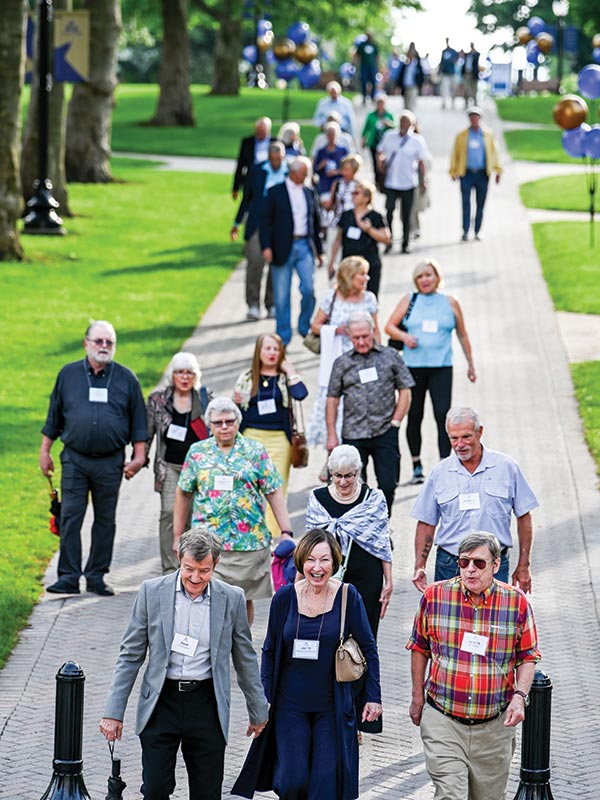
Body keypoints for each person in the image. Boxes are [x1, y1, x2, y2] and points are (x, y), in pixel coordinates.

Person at [100, 528, 268, 800]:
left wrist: (257, 710)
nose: (195, 577)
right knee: (155, 789)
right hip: (161, 702)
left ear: (216, 564)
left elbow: (245, 657)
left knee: (207, 792)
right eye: (189, 568)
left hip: (207, 704)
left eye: (204, 571)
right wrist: (113, 711)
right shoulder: (151, 592)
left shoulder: (232, 598)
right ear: (179, 558)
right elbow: (130, 654)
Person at [232, 528, 382, 800]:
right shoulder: (285, 597)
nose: (317, 567)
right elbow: (269, 651)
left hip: (331, 706)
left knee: (325, 782)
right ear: (301, 561)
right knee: (292, 778)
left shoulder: (348, 596)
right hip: (290, 705)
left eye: (325, 560)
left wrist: (373, 697)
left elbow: (369, 648)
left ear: (335, 563)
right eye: (311, 559)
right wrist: (263, 697)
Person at [407, 531, 541, 800]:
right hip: (443, 719)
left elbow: (527, 656)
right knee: (450, 794)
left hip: (493, 728)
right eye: (463, 561)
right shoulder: (435, 596)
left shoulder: (516, 603)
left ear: (495, 565)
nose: (470, 569)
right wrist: (417, 697)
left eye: (478, 563)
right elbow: (419, 647)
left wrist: (519, 697)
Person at [39, 320, 147, 596]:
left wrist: (139, 456)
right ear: (86, 343)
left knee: (105, 520)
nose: (104, 346)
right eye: (98, 341)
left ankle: (97, 576)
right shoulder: (68, 374)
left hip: (110, 461)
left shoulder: (126, 378)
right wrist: (45, 451)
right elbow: (54, 416)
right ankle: (68, 576)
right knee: (71, 516)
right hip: (75, 459)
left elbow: (138, 422)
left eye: (109, 342)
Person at [173, 397, 293, 625]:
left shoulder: (255, 451)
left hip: (247, 542)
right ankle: (209, 651)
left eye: (229, 421)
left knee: (242, 600)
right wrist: (178, 535)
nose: (224, 427)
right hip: (206, 543)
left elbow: (273, 490)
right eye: (218, 422)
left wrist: (285, 530)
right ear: (210, 424)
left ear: (238, 422)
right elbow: (183, 492)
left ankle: (240, 648)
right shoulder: (197, 452)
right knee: (204, 600)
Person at [305, 446, 392, 734]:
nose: (343, 481)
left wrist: (388, 581)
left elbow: (382, 542)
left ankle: (362, 713)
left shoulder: (373, 498)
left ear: (359, 472)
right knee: (330, 640)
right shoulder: (317, 498)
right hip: (327, 578)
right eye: (338, 475)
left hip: (367, 578)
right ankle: (332, 711)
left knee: (364, 643)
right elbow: (308, 547)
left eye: (350, 475)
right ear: (330, 473)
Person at [411, 406, 539, 592]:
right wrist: (419, 565)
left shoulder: (506, 467)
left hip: (493, 566)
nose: (459, 444)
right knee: (449, 621)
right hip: (450, 565)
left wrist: (524, 566)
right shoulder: (439, 473)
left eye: (466, 437)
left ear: (480, 432)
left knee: (492, 621)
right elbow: (426, 522)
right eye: (454, 438)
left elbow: (524, 516)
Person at [385, 259, 476, 485]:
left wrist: (470, 363)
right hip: (413, 368)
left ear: (437, 277)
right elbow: (389, 326)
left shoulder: (450, 302)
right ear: (415, 281)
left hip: (442, 366)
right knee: (414, 415)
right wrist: (404, 337)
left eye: (429, 275)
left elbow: (462, 334)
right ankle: (416, 465)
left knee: (442, 414)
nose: (425, 280)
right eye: (420, 277)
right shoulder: (410, 300)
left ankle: (447, 463)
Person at [326, 311, 414, 516]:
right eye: (356, 338)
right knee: (353, 486)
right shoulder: (342, 363)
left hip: (385, 430)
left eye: (365, 336)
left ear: (373, 332)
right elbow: (332, 398)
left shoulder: (390, 356)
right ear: (349, 336)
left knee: (388, 483)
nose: (361, 341)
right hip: (353, 433)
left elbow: (405, 390)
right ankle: (360, 524)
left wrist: (396, 421)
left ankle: (383, 521)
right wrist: (331, 432)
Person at [306, 257, 380, 480]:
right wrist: (334, 329)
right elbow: (315, 325)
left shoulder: (369, 299)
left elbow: (376, 331)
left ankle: (351, 461)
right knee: (334, 409)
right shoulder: (332, 296)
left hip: (363, 361)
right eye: (362, 275)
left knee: (357, 409)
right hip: (336, 361)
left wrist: (379, 358)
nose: (366, 278)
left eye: (367, 274)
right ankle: (332, 460)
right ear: (349, 276)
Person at [233, 333, 308, 534]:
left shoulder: (285, 379)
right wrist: (236, 402)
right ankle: (249, 531)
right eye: (268, 348)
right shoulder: (247, 378)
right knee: (249, 487)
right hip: (250, 438)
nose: (272, 353)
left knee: (276, 489)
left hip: (279, 440)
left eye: (276, 349)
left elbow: (301, 394)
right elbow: (236, 414)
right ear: (259, 352)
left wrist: (290, 369)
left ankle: (273, 536)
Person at [146, 352, 212, 575]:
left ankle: (193, 566)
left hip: (198, 469)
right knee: (169, 513)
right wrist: (139, 459)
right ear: (172, 375)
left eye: (189, 373)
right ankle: (169, 568)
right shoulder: (158, 400)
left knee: (194, 516)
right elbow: (147, 433)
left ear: (195, 376)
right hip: (170, 466)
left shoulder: (204, 398)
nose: (184, 377)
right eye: (179, 372)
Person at [260, 156, 323, 346]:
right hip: (282, 247)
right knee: (281, 295)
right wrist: (267, 247)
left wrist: (320, 251)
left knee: (309, 289)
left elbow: (316, 221)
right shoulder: (274, 192)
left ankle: (304, 326)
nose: (306, 177)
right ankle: (283, 336)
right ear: (294, 172)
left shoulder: (309, 192)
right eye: (304, 173)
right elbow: (265, 222)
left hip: (304, 245)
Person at [232, 141, 288, 321]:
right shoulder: (257, 171)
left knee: (276, 266)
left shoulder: (289, 172)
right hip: (257, 223)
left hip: (279, 225)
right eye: (273, 160)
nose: (276, 163)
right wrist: (237, 222)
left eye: (279, 159)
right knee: (255, 262)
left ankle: (271, 303)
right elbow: (246, 198)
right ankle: (253, 303)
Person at [377, 111, 428, 255]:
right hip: (391, 182)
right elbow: (380, 151)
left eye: (406, 122)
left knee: (407, 215)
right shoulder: (389, 136)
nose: (403, 125)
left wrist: (423, 180)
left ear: (412, 125)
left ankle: (406, 242)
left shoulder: (417, 141)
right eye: (401, 122)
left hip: (408, 183)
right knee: (389, 211)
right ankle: (388, 241)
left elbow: (421, 162)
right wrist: (380, 161)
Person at [328, 181, 391, 296]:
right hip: (349, 264)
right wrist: (331, 262)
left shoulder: (375, 216)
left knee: (369, 297)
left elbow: (386, 238)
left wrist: (369, 229)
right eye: (352, 193)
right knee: (347, 296)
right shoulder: (346, 215)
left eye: (357, 193)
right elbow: (338, 240)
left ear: (367, 197)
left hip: (369, 264)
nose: (353, 196)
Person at [450, 106, 502, 242]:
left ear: (480, 118)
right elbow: (455, 154)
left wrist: (498, 170)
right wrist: (453, 171)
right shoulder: (462, 136)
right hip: (466, 173)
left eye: (476, 116)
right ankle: (465, 230)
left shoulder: (488, 135)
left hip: (482, 174)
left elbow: (495, 153)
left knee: (480, 204)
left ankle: (478, 230)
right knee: (466, 203)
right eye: (472, 116)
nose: (474, 119)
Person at [232, 116, 276, 200]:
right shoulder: (247, 142)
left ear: (268, 130)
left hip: (269, 180)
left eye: (262, 131)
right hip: (251, 180)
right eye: (258, 131)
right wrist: (235, 187)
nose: (260, 134)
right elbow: (240, 164)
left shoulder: (276, 142)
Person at [312, 121, 349, 211]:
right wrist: (321, 165)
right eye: (329, 134)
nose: (331, 137)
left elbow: (348, 169)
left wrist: (337, 172)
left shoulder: (343, 151)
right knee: (326, 206)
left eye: (333, 134)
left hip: (339, 184)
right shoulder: (321, 151)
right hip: (325, 184)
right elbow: (315, 169)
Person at [361, 92, 395, 175]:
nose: (380, 105)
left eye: (382, 103)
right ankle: (377, 179)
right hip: (374, 142)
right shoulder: (371, 115)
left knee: (386, 161)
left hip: (385, 142)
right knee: (375, 162)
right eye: (378, 103)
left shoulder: (389, 115)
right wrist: (364, 140)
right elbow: (366, 129)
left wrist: (388, 124)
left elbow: (394, 127)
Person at [395, 43, 424, 112]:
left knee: (411, 106)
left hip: (413, 86)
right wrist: (398, 86)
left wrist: (420, 86)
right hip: (405, 87)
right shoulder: (405, 65)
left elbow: (421, 77)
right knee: (405, 106)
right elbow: (400, 76)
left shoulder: (417, 65)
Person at [354, 31, 380, 103]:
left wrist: (378, 66)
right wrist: (355, 64)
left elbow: (377, 57)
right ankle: (364, 96)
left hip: (372, 66)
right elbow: (357, 55)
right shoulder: (362, 45)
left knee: (373, 82)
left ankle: (372, 96)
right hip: (364, 66)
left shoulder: (374, 45)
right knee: (363, 81)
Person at [439, 37, 458, 109]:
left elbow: (457, 58)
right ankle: (444, 102)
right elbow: (441, 62)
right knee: (444, 88)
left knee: (453, 88)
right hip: (445, 73)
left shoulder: (454, 51)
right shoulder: (444, 51)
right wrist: (439, 71)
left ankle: (453, 102)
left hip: (452, 73)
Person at [462, 42, 480, 107]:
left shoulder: (476, 54)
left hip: (474, 74)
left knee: (474, 89)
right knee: (466, 89)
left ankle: (475, 103)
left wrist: (473, 51)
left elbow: (477, 56)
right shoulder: (468, 55)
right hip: (467, 73)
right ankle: (466, 102)